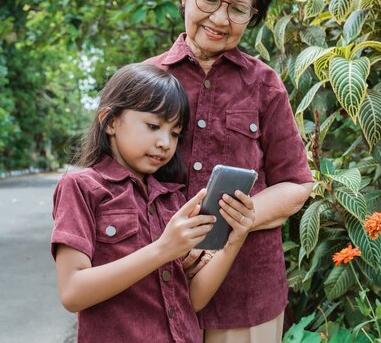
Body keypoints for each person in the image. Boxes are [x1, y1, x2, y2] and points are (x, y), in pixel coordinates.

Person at [144, 0, 314, 343]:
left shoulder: (264, 84)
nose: (220, 19)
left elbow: (296, 183)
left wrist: (225, 227)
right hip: (152, 291)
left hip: (247, 296)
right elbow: (110, 181)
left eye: (238, 8)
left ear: (252, 16)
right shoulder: (144, 81)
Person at [50, 63, 255, 343]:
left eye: (174, 133)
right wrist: (163, 249)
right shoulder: (82, 187)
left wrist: (234, 241)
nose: (164, 143)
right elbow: (73, 292)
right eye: (153, 126)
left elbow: (190, 301)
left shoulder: (173, 199)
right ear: (109, 121)